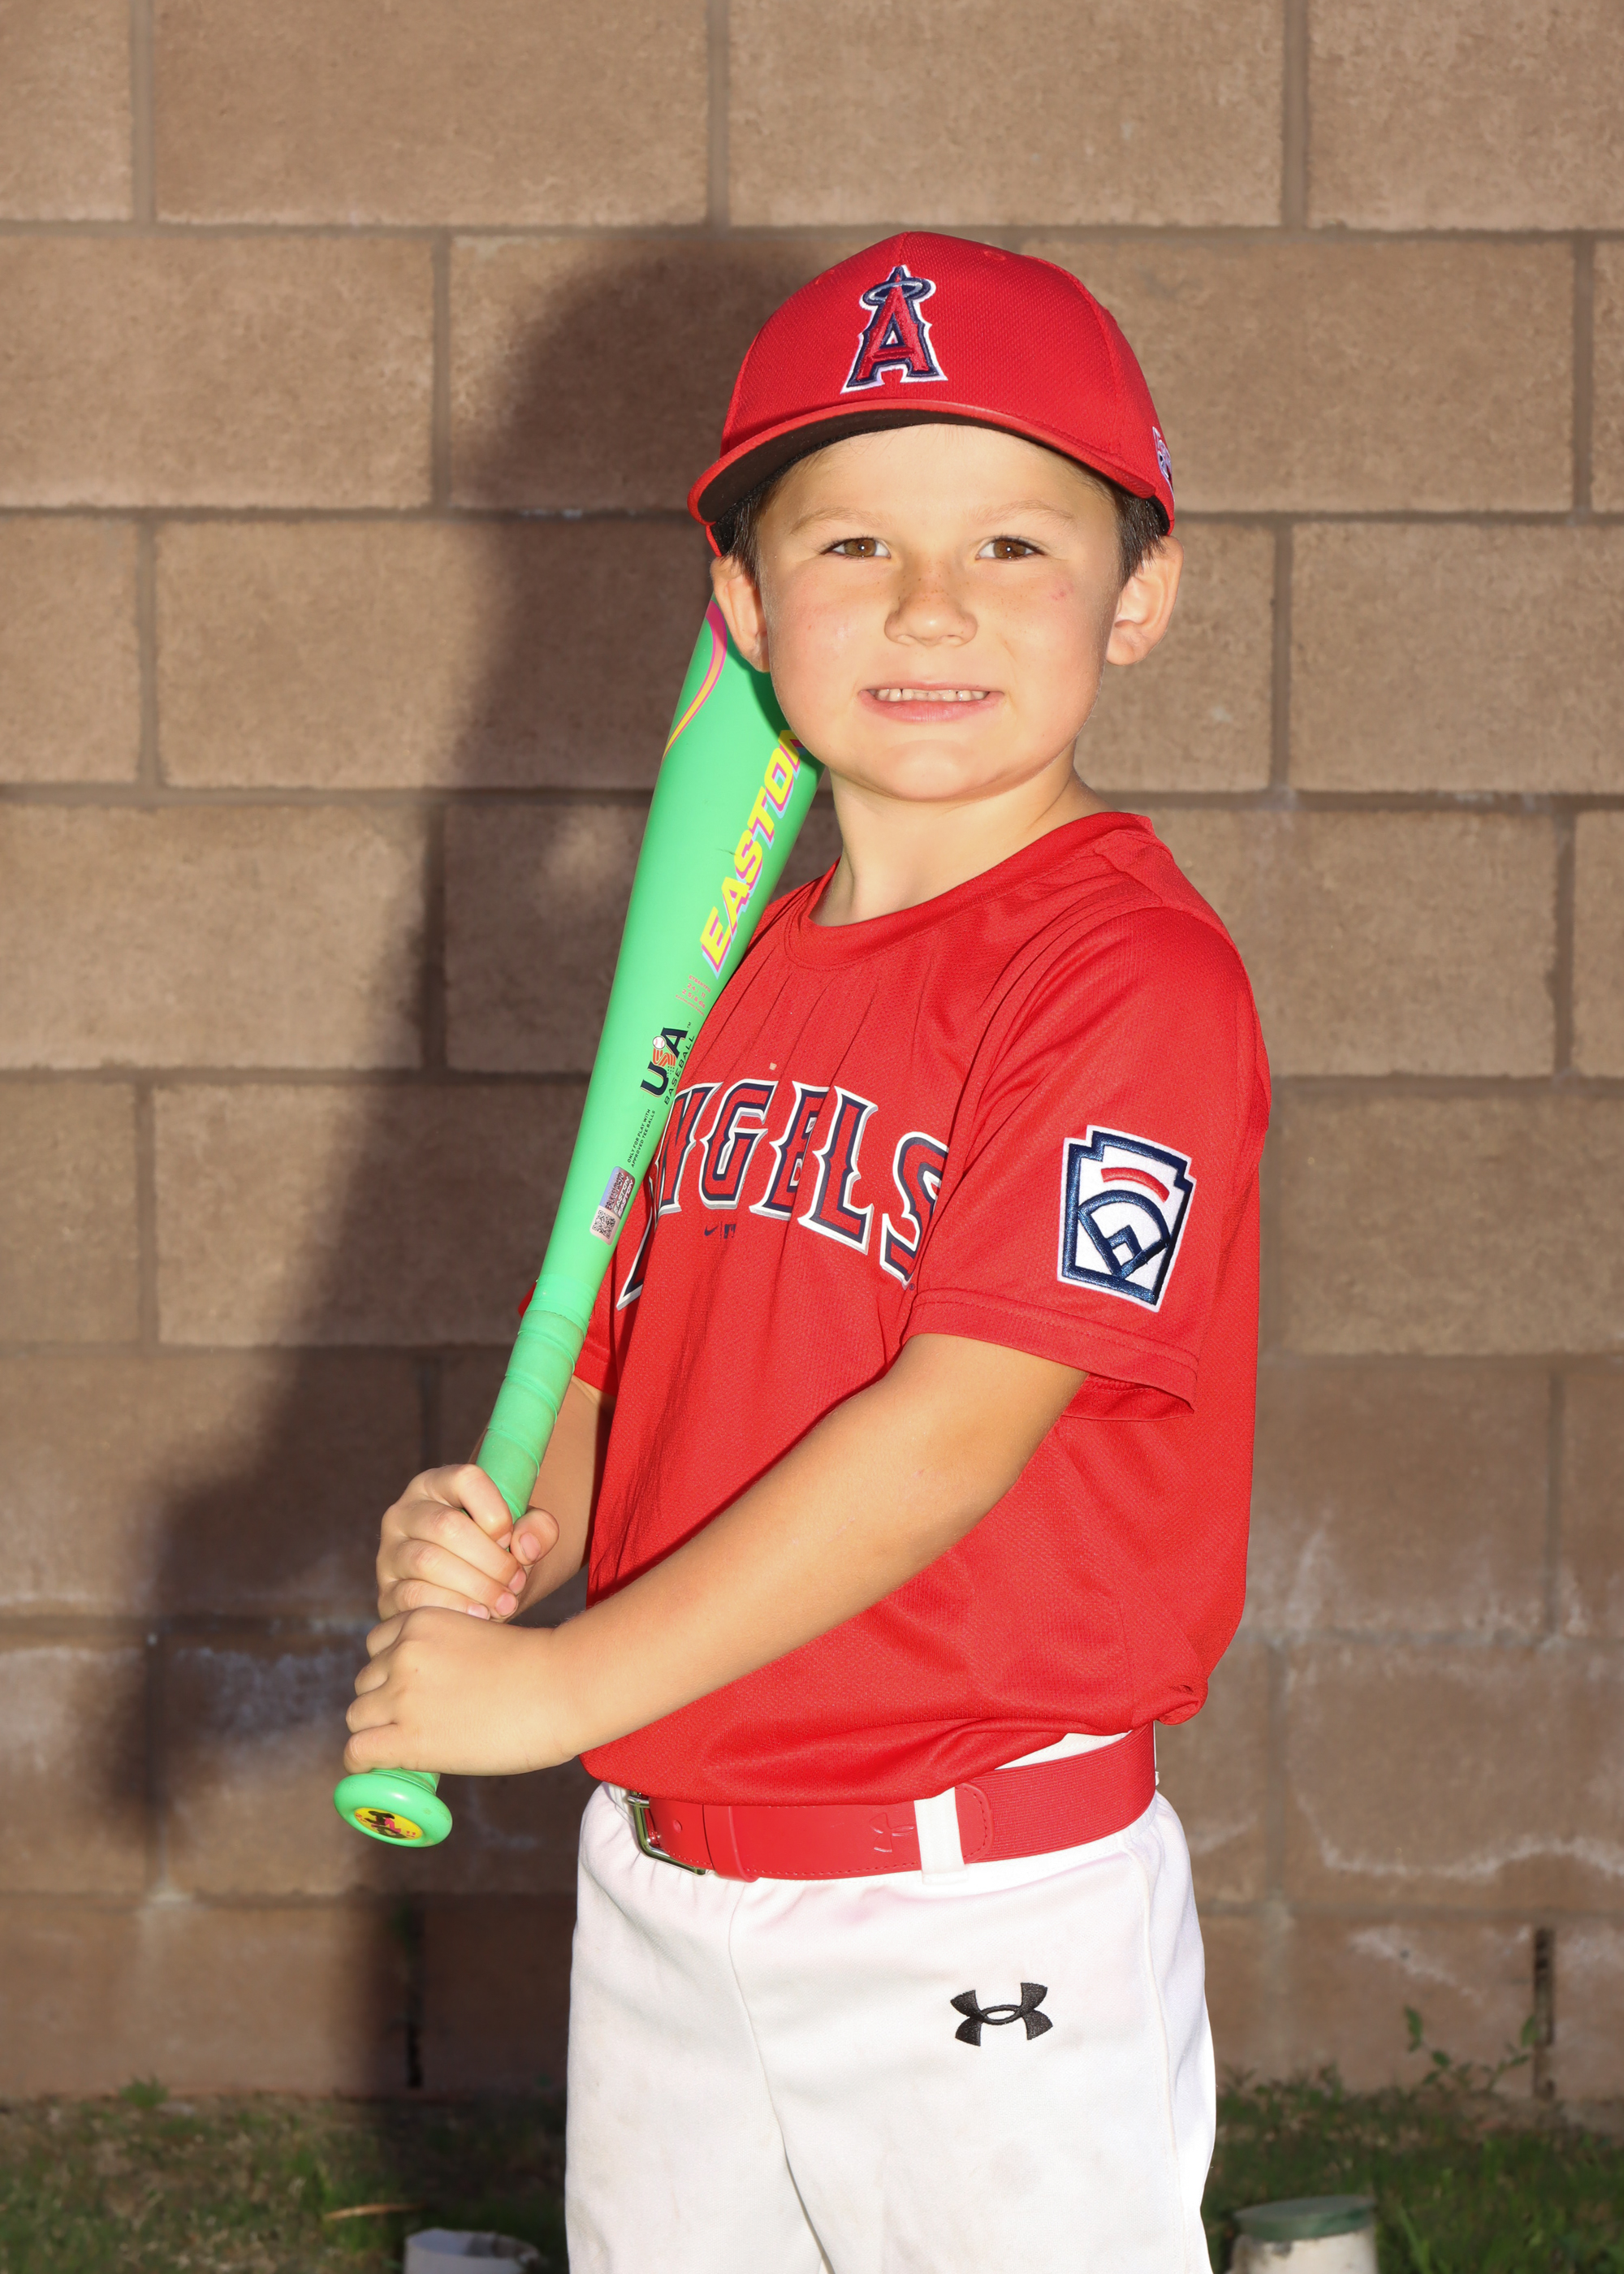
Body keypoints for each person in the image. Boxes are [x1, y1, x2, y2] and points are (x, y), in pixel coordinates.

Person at [343, 232, 1270, 2272]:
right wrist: (521, 1526)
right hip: (670, 1877)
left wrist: (554, 1682)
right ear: (746, 610)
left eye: (1012, 543)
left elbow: (949, 1433)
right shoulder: (741, 971)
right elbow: (641, 1356)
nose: (932, 604)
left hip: (967, 1899)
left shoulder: (1123, 979)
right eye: (853, 544)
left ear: (1139, 595)